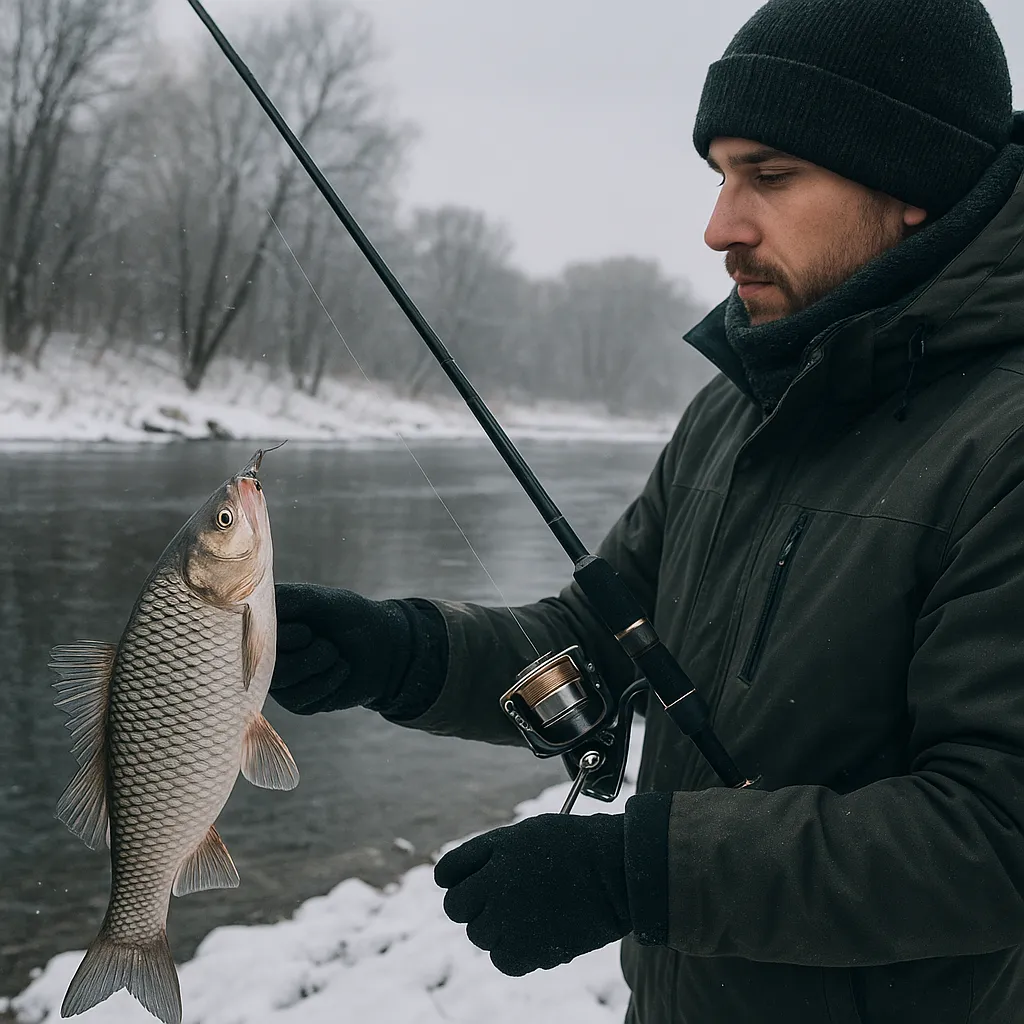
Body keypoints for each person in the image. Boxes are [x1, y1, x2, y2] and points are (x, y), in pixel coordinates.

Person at [268, 0, 1024, 1020]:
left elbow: (993, 834)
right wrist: (399, 654)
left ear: (913, 185)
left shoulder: (1002, 441)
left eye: (769, 175)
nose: (720, 226)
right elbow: (599, 645)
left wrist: (638, 872)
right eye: (718, 176)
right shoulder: (737, 410)